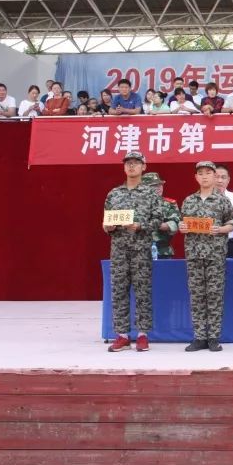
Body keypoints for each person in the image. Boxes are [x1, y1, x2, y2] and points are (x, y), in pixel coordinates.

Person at [103, 151, 160, 352]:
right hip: (119, 249)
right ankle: (122, 335)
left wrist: (140, 225)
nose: (132, 166)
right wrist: (108, 227)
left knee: (142, 291)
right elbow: (106, 220)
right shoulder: (114, 193)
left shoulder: (150, 193)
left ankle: (143, 334)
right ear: (124, 167)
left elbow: (157, 220)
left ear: (144, 167)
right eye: (128, 163)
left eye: (136, 163)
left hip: (141, 249)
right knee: (119, 291)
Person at [180, 160, 233, 352]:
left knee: (214, 295)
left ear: (215, 176)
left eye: (208, 173)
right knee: (196, 295)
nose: (204, 176)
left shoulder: (222, 200)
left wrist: (220, 229)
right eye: (200, 173)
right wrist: (182, 227)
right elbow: (183, 223)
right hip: (194, 254)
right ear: (196, 177)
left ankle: (213, 337)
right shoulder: (189, 200)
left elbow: (231, 224)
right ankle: (199, 337)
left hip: (215, 254)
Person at [141, 172, 180, 259]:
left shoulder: (169, 204)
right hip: (139, 252)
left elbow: (175, 224)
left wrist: (154, 224)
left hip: (163, 251)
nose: (158, 188)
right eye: (153, 186)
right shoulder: (135, 205)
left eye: (160, 185)